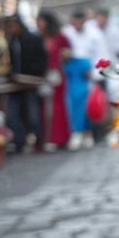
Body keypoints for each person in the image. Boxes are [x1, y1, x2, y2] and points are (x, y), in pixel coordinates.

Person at [62, 10, 108, 150]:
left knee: (88, 104)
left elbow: (101, 54)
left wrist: (95, 73)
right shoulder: (66, 33)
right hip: (71, 72)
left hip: (88, 72)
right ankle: (76, 132)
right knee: (72, 103)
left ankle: (88, 133)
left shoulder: (94, 34)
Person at [1, 16, 47, 153]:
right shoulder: (12, 41)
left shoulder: (33, 39)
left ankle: (39, 141)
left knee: (33, 114)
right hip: (15, 84)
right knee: (13, 114)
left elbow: (42, 60)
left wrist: (32, 74)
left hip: (31, 82)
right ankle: (19, 142)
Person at [37, 12, 72, 151]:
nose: (39, 24)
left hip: (57, 75)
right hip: (42, 76)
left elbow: (69, 52)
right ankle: (45, 138)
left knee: (58, 108)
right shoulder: (38, 37)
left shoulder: (60, 37)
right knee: (43, 108)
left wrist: (63, 56)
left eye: (41, 21)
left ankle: (59, 138)